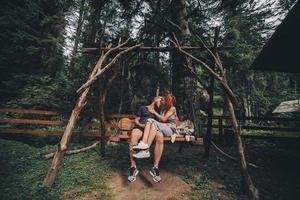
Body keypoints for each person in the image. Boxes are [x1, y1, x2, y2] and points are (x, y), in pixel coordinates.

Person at [128, 96, 164, 183]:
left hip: (153, 129)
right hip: (141, 127)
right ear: (155, 98)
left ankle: (155, 168)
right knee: (134, 135)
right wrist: (141, 125)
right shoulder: (143, 108)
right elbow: (136, 119)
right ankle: (133, 167)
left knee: (160, 137)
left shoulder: (159, 111)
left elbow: (162, 122)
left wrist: (156, 113)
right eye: (161, 100)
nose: (162, 102)